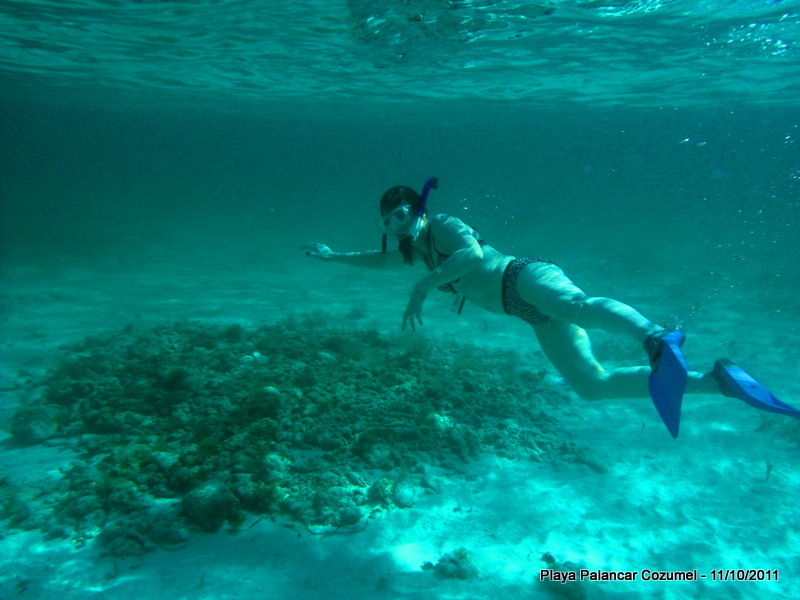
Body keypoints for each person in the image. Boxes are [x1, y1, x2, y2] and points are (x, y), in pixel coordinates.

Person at [302, 178, 798, 437]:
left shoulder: (443, 226)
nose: (395, 223)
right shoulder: (412, 250)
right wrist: (333, 259)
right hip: (527, 311)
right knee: (592, 385)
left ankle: (655, 335)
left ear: (420, 210)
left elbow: (472, 254)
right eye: (388, 219)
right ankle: (722, 383)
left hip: (523, 276)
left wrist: (422, 288)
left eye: (402, 213)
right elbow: (375, 260)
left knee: (579, 307)